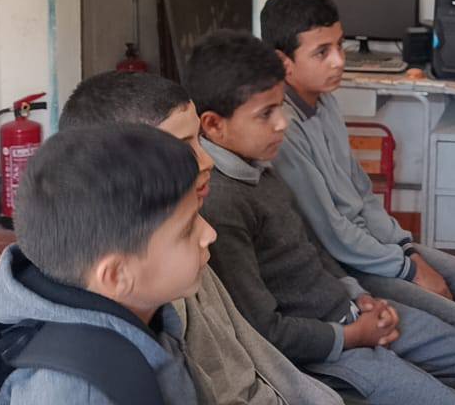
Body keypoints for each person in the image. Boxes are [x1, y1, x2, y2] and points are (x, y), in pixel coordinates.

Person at [184, 30, 455, 405]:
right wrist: (354, 335)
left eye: (281, 108)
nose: (281, 124)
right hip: (324, 352)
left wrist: (361, 297)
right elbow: (265, 331)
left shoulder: (257, 163)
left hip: (348, 309)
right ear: (213, 125)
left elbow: (311, 247)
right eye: (265, 114)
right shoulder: (222, 203)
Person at [58, 71, 343, 405]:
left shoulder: (188, 244)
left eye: (199, 141)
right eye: (182, 149)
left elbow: (257, 360)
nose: (206, 160)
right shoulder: (154, 279)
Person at [260, 0, 455, 342]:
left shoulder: (325, 102)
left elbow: (362, 192)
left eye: (340, 46)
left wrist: (405, 249)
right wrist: (410, 269)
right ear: (283, 62)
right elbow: (334, 234)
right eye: (322, 52)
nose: (338, 61)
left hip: (372, 246)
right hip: (347, 262)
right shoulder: (284, 130)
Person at [0, 125, 212, 403]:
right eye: (188, 229)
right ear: (117, 275)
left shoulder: (141, 308)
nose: (209, 235)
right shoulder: (76, 392)